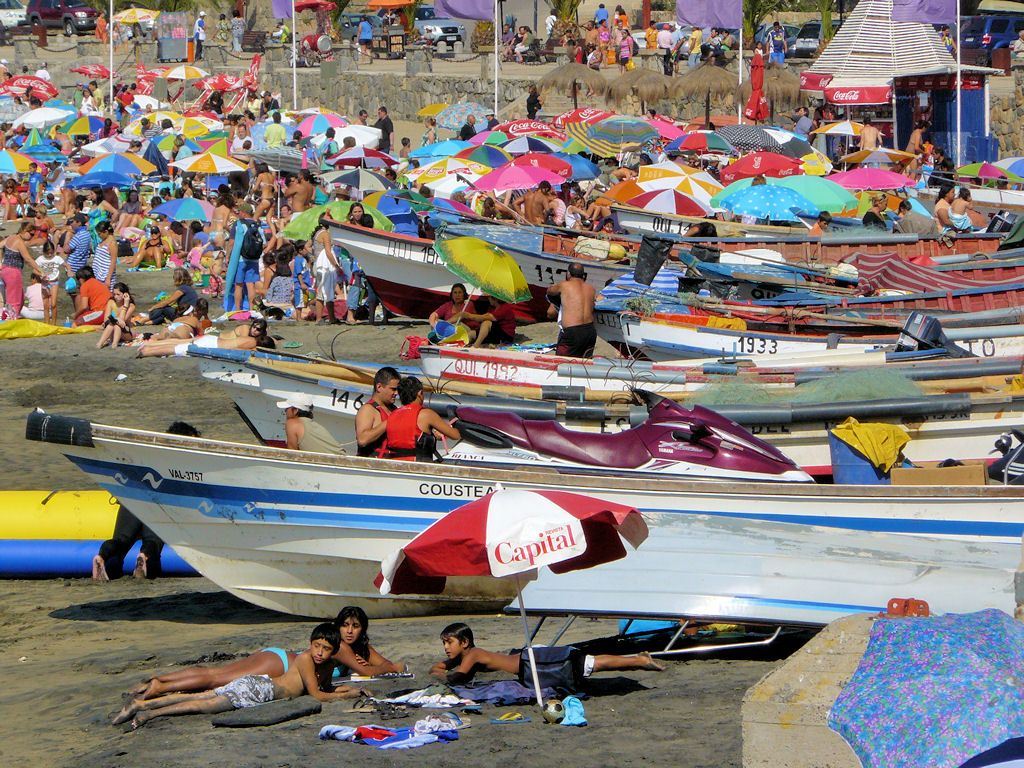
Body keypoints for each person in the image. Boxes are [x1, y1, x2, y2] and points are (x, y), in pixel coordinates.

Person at [113, 624, 366, 729]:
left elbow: (327, 688)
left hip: (259, 685)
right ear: (310, 644)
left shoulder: (325, 666)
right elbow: (317, 695)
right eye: (316, 646)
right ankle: (149, 712)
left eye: (325, 649)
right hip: (260, 690)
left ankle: (141, 704)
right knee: (203, 703)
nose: (319, 652)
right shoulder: (305, 659)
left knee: (205, 694)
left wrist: (349, 691)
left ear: (333, 651)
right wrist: (348, 694)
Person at [92, 421, 200, 582]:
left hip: (131, 499)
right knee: (153, 541)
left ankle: (101, 556)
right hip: (156, 504)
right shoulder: (182, 464)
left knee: (121, 540)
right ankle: (144, 556)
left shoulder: (149, 455)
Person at [429, 622, 664, 688]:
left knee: (587, 663)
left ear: (465, 642)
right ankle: (637, 660)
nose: (446, 647)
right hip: (528, 661)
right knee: (589, 664)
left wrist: (440, 673)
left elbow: (456, 677)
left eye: (449, 642)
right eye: (444, 643)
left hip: (533, 663)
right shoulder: (465, 656)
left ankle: (639, 660)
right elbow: (443, 666)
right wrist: (440, 668)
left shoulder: (473, 654)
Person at [384, 376, 460, 461]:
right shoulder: (426, 414)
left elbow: (409, 433)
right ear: (420, 393)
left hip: (394, 463)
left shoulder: (392, 415)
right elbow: (455, 435)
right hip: (419, 464)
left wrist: (433, 434)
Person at [332, 606, 406, 677]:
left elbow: (388, 664)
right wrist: (370, 669)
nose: (349, 631)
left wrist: (370, 667)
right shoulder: (338, 645)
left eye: (356, 626)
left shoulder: (361, 646)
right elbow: (367, 672)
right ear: (338, 627)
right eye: (345, 625)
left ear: (362, 629)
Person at [547, 262, 596, 358]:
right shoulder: (591, 288)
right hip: (590, 331)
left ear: (568, 273)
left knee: (562, 362)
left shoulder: (563, 285)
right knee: (584, 363)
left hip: (572, 331)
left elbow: (549, 291)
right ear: (583, 275)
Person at [355, 366, 399, 457]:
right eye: (393, 389)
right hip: (370, 464)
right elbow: (362, 440)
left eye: (397, 389)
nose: (396, 393)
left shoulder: (395, 410)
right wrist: (388, 422)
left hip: (393, 463)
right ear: (379, 387)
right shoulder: (368, 410)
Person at [1, 221, 43, 316]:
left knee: (20, 298)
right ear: (24, 230)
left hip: (4, 270)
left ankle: (13, 316)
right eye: (31, 234)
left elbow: (0, 245)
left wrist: (1, 260)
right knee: (14, 301)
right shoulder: (19, 242)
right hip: (13, 272)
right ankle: (12, 320)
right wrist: (41, 270)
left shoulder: (11, 237)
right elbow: (28, 259)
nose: (32, 237)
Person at [278, 395, 345, 454]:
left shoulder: (292, 423)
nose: (285, 411)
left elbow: (291, 454)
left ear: (295, 411)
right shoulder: (313, 424)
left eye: (287, 409)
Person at [96, 282, 136, 349]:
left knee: (117, 325)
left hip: (126, 333)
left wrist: (125, 305)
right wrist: (115, 320)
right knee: (113, 324)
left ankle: (114, 344)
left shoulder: (131, 306)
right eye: (114, 294)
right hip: (112, 330)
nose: (115, 297)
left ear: (125, 294)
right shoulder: (111, 302)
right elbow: (106, 320)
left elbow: (122, 321)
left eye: (118, 294)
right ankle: (100, 343)